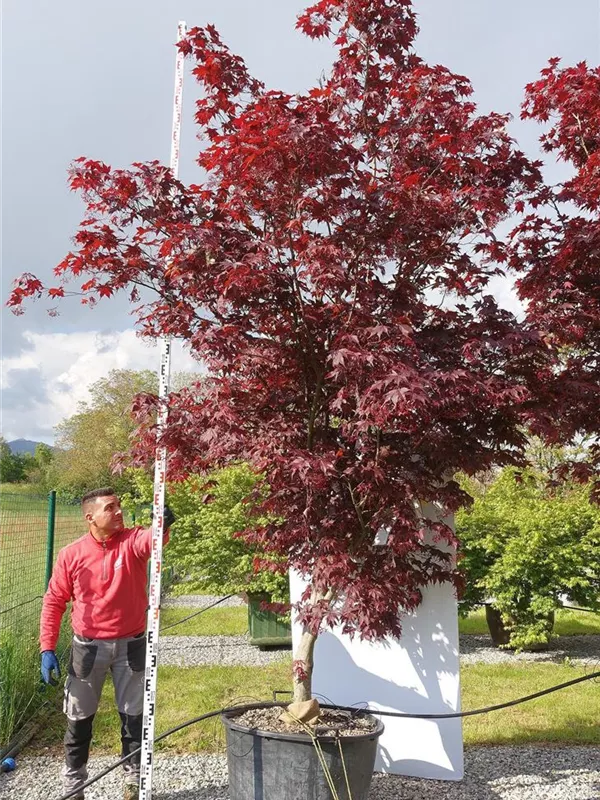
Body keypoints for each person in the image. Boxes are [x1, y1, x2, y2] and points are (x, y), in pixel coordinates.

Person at [39, 487, 175, 800]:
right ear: (91, 517)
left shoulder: (131, 541)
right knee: (79, 719)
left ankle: (133, 781)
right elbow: (54, 601)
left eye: (119, 505)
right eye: (110, 508)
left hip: (132, 646)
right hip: (88, 649)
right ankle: (74, 786)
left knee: (134, 717)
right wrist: (47, 647)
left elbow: (152, 541)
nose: (118, 512)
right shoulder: (72, 555)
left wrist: (163, 524)